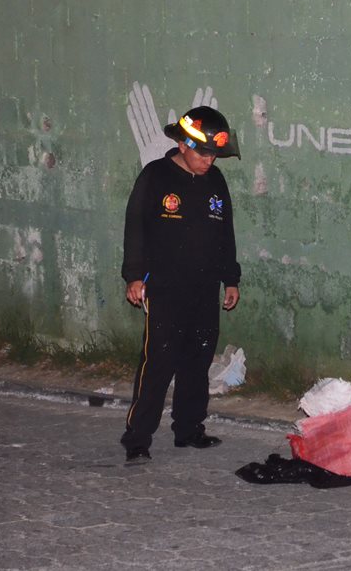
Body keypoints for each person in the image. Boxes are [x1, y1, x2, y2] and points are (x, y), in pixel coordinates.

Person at [119, 105, 242, 465]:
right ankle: (138, 438)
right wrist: (134, 275)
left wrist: (230, 279)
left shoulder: (216, 181)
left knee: (197, 359)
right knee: (158, 362)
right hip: (166, 289)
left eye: (214, 154)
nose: (209, 161)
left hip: (205, 288)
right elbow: (135, 228)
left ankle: (188, 429)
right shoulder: (155, 177)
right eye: (203, 153)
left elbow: (225, 233)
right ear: (184, 145)